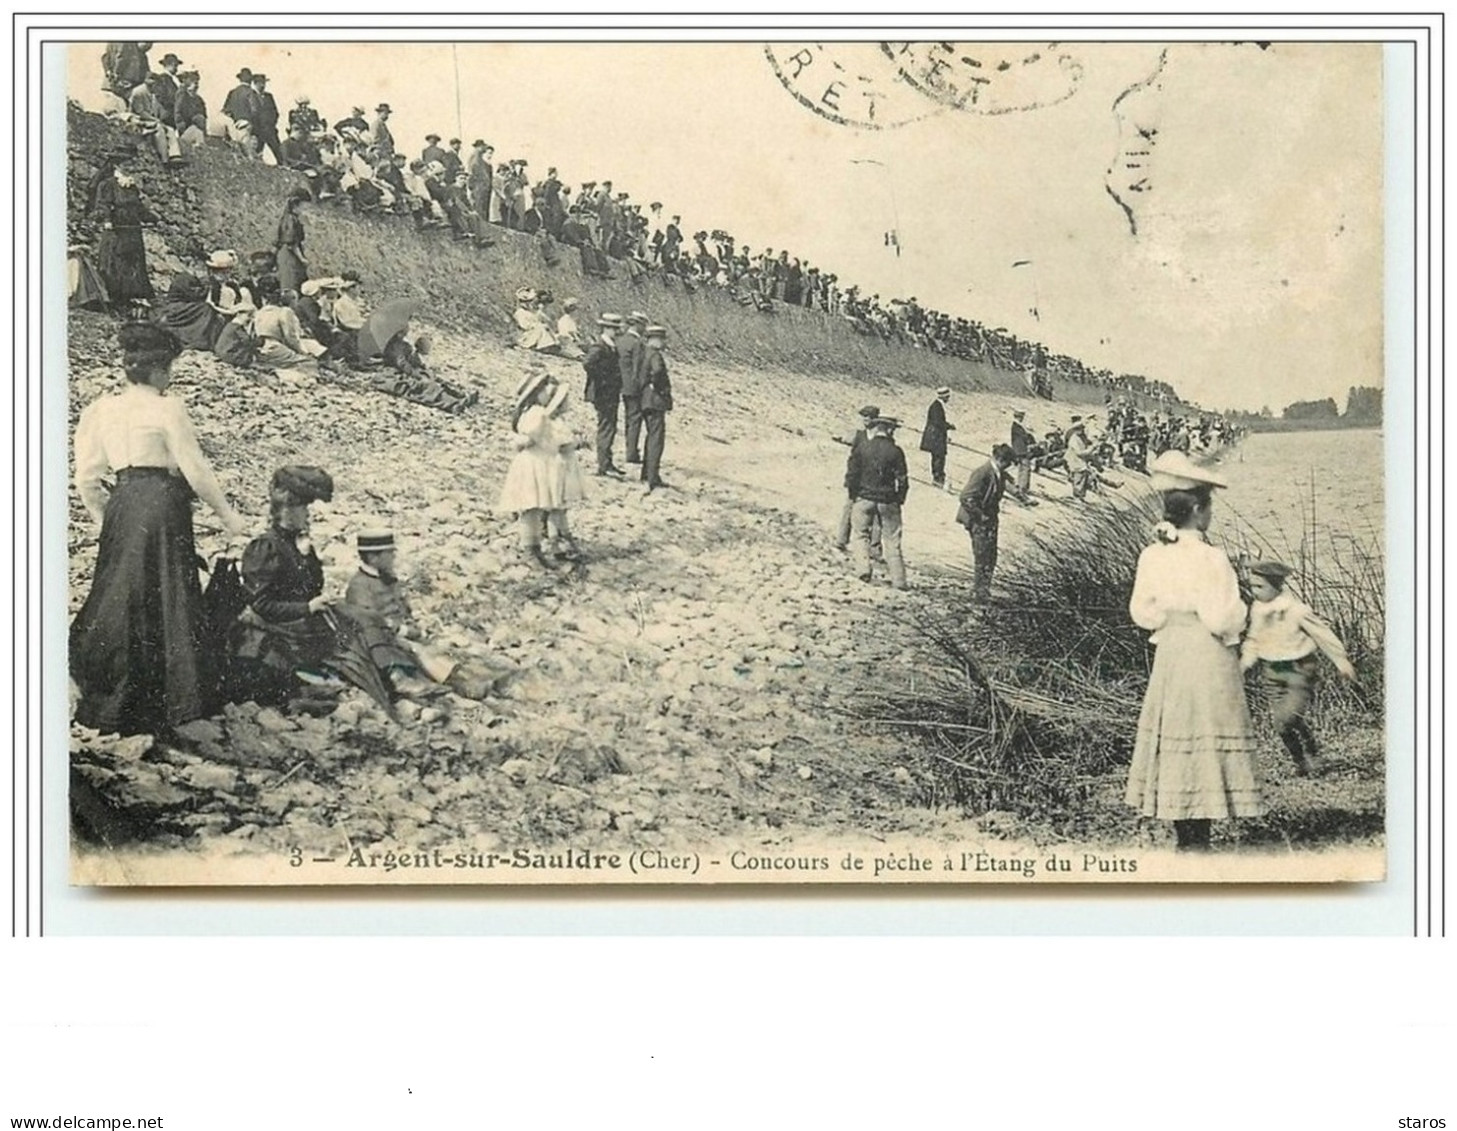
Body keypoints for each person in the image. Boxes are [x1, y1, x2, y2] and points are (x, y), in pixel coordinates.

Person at [70, 323, 249, 737]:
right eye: (168, 369)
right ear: (158, 371)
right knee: (169, 593)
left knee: (120, 594)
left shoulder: (100, 409)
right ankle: (175, 701)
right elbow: (195, 468)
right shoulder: (169, 408)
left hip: (123, 503)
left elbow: (86, 477)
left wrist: (106, 521)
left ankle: (109, 691)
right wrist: (227, 515)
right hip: (163, 503)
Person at [1127, 451, 1262, 852]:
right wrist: (1244, 612)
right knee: (1205, 738)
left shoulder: (1152, 554)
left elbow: (1142, 612)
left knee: (1177, 737)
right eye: (1209, 508)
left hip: (1171, 653)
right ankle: (1199, 836)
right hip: (1206, 655)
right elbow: (1222, 618)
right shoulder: (1212, 557)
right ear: (1199, 510)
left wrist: (1171, 617)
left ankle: (1185, 834)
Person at [230, 466, 337, 707]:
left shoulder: (297, 543)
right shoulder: (265, 547)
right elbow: (261, 605)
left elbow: (313, 587)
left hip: (297, 624)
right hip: (276, 628)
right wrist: (307, 608)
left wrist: (308, 556)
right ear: (288, 510)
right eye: (304, 508)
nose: (309, 515)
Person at [1241, 560, 1358, 777]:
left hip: (1299, 669)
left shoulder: (1297, 610)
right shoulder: (1258, 610)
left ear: (1277, 586)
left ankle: (1312, 750)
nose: (1254, 592)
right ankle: (1300, 762)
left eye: (1260, 587)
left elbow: (1322, 634)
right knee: (1280, 724)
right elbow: (1253, 639)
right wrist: (1245, 663)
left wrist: (1341, 660)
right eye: (1252, 586)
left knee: (1289, 716)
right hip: (1272, 671)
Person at [499, 372, 568, 569]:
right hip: (533, 464)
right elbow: (529, 438)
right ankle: (529, 548)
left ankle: (535, 548)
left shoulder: (534, 412)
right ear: (536, 392)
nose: (550, 391)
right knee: (531, 507)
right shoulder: (537, 413)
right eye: (546, 388)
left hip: (536, 462)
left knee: (535, 507)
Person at [89, 144, 157, 312]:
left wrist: (151, 217)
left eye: (131, 163)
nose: (130, 167)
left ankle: (129, 297)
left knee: (132, 263)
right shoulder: (107, 185)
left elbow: (138, 207)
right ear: (117, 165)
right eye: (126, 163)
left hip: (132, 230)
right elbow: (102, 205)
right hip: (116, 230)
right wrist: (106, 219)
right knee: (115, 262)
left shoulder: (131, 186)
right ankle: (114, 298)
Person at [846, 416, 909, 590]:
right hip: (888, 500)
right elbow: (903, 480)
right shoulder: (896, 451)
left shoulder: (863, 448)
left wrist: (854, 495)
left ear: (875, 429)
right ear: (889, 431)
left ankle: (863, 569)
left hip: (864, 497)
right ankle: (899, 580)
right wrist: (899, 499)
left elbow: (852, 475)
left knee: (860, 535)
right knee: (892, 541)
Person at [955, 444, 1015, 602]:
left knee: (990, 556)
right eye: (1008, 463)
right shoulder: (982, 473)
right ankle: (979, 592)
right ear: (1001, 460)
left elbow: (1007, 485)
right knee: (982, 555)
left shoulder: (997, 472)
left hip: (989, 518)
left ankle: (983, 589)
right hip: (979, 520)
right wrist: (980, 516)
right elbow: (965, 497)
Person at [834, 404, 881, 552]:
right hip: (857, 478)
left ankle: (874, 548)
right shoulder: (859, 435)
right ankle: (841, 540)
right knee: (849, 508)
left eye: (869, 417)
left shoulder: (878, 436)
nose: (866, 420)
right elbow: (845, 440)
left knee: (874, 514)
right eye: (864, 417)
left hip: (872, 480)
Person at [583, 312, 624, 476]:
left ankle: (607, 462)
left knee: (610, 426)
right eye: (614, 329)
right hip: (603, 393)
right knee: (606, 427)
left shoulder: (610, 346)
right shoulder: (599, 347)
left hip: (610, 393)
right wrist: (603, 380)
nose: (617, 332)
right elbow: (587, 364)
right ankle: (603, 465)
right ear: (606, 329)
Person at [251, 276, 316, 370]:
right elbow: (291, 338)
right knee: (310, 362)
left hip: (261, 351)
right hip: (276, 348)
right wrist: (303, 352)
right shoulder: (284, 312)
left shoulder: (259, 312)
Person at [639, 324, 674, 493]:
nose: (663, 343)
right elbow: (658, 371)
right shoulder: (655, 355)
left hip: (645, 399)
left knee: (650, 437)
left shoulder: (644, 352)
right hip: (655, 400)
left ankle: (646, 473)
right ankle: (653, 477)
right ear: (655, 340)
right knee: (656, 440)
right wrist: (660, 389)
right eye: (661, 339)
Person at [155, 272, 222, 351]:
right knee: (206, 309)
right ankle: (199, 338)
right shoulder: (184, 278)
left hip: (177, 305)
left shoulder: (188, 277)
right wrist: (211, 287)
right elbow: (195, 294)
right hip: (176, 307)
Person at [617, 311, 649, 464]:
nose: (645, 329)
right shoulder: (638, 344)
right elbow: (639, 368)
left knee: (628, 419)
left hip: (621, 385)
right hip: (635, 387)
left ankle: (630, 450)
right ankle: (632, 453)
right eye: (643, 325)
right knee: (635, 420)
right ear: (638, 325)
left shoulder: (620, 340)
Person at [274, 186, 310, 294]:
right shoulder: (290, 219)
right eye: (304, 207)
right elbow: (291, 243)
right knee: (290, 284)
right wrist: (302, 259)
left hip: (290, 255)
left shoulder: (291, 218)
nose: (304, 210)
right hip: (289, 256)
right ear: (296, 204)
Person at [918, 386, 955, 489]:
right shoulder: (936, 406)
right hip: (935, 437)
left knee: (937, 457)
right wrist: (949, 426)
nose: (948, 399)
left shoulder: (937, 405)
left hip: (936, 436)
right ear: (943, 397)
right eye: (947, 397)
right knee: (939, 458)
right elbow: (938, 422)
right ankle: (937, 479)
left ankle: (938, 478)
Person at [222, 67, 260, 156]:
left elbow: (226, 110)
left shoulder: (232, 92)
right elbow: (255, 110)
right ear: (250, 80)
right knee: (247, 149)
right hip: (246, 123)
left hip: (234, 124)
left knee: (237, 148)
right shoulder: (250, 92)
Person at [512, 287, 560, 353]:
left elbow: (542, 319)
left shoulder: (532, 312)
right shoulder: (520, 312)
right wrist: (535, 325)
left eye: (530, 301)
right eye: (527, 302)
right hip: (525, 336)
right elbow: (524, 326)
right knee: (540, 327)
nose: (529, 304)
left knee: (544, 327)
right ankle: (542, 345)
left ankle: (551, 343)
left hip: (533, 333)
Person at [250, 73, 283, 164]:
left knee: (278, 151)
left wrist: (272, 123)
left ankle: (283, 166)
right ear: (255, 83)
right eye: (260, 83)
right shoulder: (251, 95)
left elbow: (275, 112)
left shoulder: (269, 96)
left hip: (269, 129)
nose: (263, 85)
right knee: (256, 151)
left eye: (264, 83)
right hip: (257, 130)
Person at [173, 70, 208, 153]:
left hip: (198, 128)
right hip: (187, 129)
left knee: (199, 133)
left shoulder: (199, 99)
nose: (196, 85)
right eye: (193, 82)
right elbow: (178, 113)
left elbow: (204, 115)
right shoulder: (182, 96)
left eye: (197, 82)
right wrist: (182, 128)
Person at [1009, 409, 1039, 506]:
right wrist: (1029, 434)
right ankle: (1023, 488)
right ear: (1019, 417)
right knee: (1025, 469)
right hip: (1021, 450)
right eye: (1022, 416)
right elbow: (1024, 438)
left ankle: (1020, 485)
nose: (1022, 418)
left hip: (1019, 450)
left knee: (1022, 468)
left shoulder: (1016, 426)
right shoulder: (1017, 426)